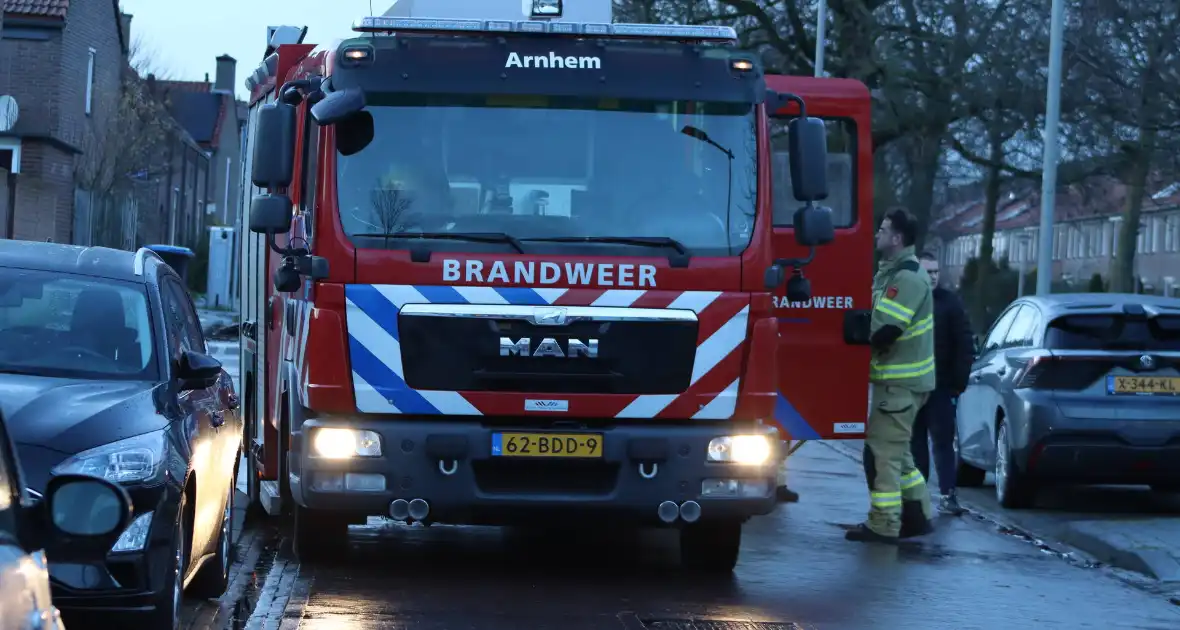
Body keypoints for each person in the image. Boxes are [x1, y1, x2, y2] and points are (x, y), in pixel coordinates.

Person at [846, 208, 937, 544]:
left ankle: (884, 523)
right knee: (900, 457)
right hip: (900, 384)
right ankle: (917, 516)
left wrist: (851, 337)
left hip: (900, 384)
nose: (876, 235)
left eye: (882, 230)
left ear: (897, 238)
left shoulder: (908, 278)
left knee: (881, 455)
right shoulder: (894, 273)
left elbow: (885, 329)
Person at [911, 252, 974, 516]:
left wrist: (958, 384)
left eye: (936, 271)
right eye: (928, 271)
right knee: (916, 443)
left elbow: (964, 344)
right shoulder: (909, 302)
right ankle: (919, 494)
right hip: (913, 386)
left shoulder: (950, 303)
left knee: (943, 442)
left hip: (941, 387)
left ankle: (948, 495)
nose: (933, 276)